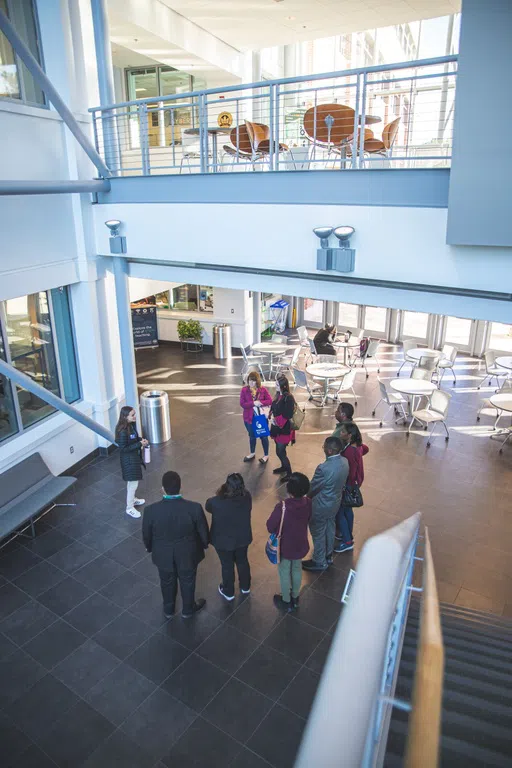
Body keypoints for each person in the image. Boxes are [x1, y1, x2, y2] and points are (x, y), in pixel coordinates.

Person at [142, 471, 209, 619]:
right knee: (188, 581)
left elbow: (146, 535)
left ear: (163, 489)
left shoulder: (150, 511)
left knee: (166, 582)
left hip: (163, 556)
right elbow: (203, 532)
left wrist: (150, 548)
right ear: (180, 487)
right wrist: (204, 545)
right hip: (188, 554)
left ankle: (169, 610)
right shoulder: (194, 508)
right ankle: (188, 609)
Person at [267, 472, 312, 612]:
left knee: (284, 572)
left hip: (285, 546)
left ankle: (286, 600)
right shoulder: (308, 503)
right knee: (297, 569)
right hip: (300, 543)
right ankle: (295, 596)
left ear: (289, 490)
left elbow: (270, 526)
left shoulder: (282, 507)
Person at [302, 436, 348, 571]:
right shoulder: (345, 462)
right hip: (335, 502)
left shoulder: (324, 468)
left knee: (318, 531)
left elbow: (313, 487)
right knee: (330, 526)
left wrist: (306, 498)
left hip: (321, 505)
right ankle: (328, 555)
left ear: (329, 451)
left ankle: (319, 561)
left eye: (324, 447)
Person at [206, 473, 252, 601]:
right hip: (243, 538)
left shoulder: (216, 502)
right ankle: (245, 586)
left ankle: (229, 591)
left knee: (227, 565)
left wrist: (220, 493)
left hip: (223, 541)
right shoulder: (247, 497)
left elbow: (207, 505)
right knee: (242, 561)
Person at [334, 422, 369, 554]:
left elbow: (351, 471)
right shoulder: (358, 447)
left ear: (349, 435)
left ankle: (347, 541)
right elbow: (366, 449)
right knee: (348, 510)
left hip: (347, 484)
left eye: (343, 432)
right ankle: (348, 533)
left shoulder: (349, 451)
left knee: (340, 512)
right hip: (355, 483)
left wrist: (344, 484)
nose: (341, 433)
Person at [115, 405, 148, 518]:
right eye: (132, 415)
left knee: (132, 482)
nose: (135, 417)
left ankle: (133, 499)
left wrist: (140, 440)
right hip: (128, 461)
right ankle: (129, 507)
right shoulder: (123, 431)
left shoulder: (130, 426)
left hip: (133, 458)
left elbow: (133, 438)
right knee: (133, 483)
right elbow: (123, 448)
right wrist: (139, 444)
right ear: (125, 417)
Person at [239, 371, 273, 464]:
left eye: (253, 381)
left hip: (260, 418)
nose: (251, 383)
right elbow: (242, 404)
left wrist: (260, 402)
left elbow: (270, 401)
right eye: (250, 380)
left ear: (257, 381)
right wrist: (253, 403)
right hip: (248, 418)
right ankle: (252, 453)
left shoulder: (262, 390)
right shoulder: (244, 390)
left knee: (263, 437)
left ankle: (266, 455)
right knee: (252, 436)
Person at [269, 375, 296, 483]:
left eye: (277, 385)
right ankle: (284, 467)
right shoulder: (278, 395)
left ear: (283, 386)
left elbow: (288, 414)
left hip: (283, 430)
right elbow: (273, 406)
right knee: (280, 451)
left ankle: (289, 473)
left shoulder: (288, 398)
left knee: (280, 452)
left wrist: (276, 419)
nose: (275, 386)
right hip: (277, 428)